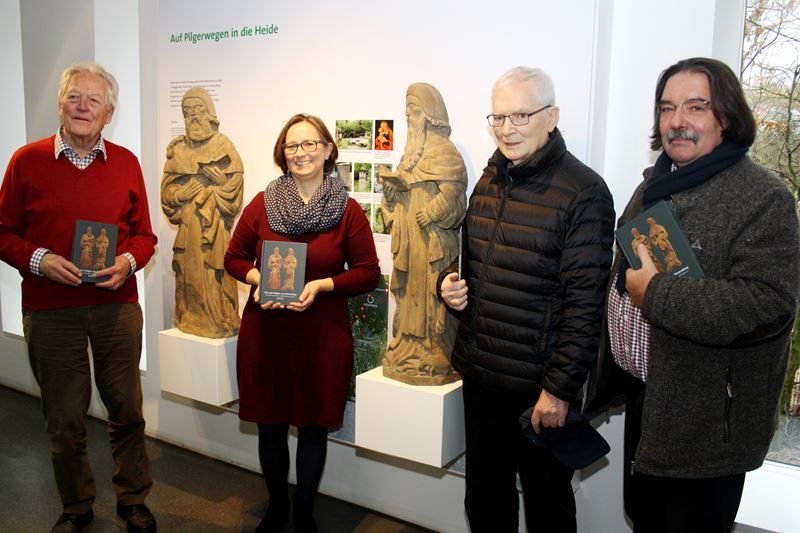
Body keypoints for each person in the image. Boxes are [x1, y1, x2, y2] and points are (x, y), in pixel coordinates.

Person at [585, 57, 800, 533]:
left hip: (709, 425)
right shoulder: (653, 187)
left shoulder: (764, 197)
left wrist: (657, 294)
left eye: (695, 107)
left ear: (726, 117)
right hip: (648, 403)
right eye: (666, 108)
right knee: (645, 518)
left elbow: (766, 305)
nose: (676, 120)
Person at [439, 66, 615, 532]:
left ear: (551, 116)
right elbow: (471, 262)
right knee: (485, 500)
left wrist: (558, 391)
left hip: (538, 392)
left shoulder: (585, 192)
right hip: (481, 378)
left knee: (548, 509)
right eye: (497, 118)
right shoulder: (490, 180)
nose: (506, 129)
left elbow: (585, 306)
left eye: (520, 115)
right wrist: (449, 287)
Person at [0, 62, 157, 533]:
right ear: (60, 104)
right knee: (64, 419)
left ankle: (133, 499)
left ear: (109, 113)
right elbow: (3, 232)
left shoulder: (127, 162)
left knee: (126, 410)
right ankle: (76, 506)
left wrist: (127, 263)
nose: (83, 106)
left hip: (116, 307)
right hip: (51, 312)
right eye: (74, 97)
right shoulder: (26, 161)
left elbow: (145, 236)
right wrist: (41, 260)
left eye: (93, 100)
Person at [224, 113, 380, 533]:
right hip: (267, 332)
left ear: (329, 150)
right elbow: (233, 258)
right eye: (293, 145)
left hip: (323, 335)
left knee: (313, 428)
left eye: (310, 144)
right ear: (282, 152)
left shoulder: (346, 210)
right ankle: (277, 508)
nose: (301, 153)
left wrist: (322, 285)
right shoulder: (263, 204)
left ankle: (305, 511)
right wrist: (258, 279)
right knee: (270, 426)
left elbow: (368, 271)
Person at [379, 82, 467, 385]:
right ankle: (406, 347)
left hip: (431, 244)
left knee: (432, 293)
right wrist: (391, 195)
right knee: (407, 295)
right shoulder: (409, 156)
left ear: (430, 115)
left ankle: (432, 352)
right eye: (406, 112)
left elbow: (455, 194)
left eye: (413, 111)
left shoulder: (445, 152)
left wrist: (432, 212)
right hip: (409, 242)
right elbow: (393, 198)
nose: (408, 118)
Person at [161, 86, 244, 339]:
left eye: (198, 110)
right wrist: (181, 195)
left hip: (213, 229)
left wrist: (220, 182)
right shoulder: (178, 150)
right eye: (187, 112)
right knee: (189, 278)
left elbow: (234, 193)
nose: (193, 117)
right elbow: (166, 194)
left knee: (212, 275)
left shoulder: (223, 144)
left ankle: (219, 318)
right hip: (188, 228)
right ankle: (191, 318)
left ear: (209, 113)